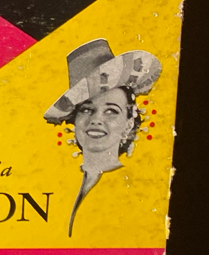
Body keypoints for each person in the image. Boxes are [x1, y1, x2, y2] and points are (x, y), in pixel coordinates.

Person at [43, 39, 162, 236]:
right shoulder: (59, 182)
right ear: (74, 120)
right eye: (86, 109)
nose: (96, 120)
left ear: (128, 123)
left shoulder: (131, 186)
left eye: (111, 111)